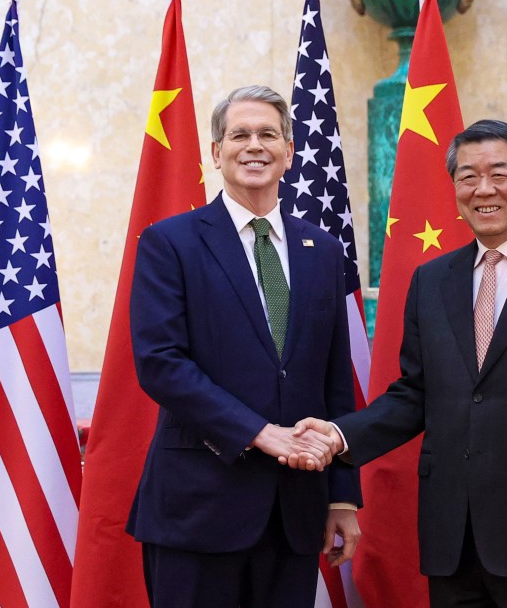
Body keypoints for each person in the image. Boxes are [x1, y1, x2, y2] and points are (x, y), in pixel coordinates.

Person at [289, 119, 507, 607]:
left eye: (499, 173)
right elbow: (415, 394)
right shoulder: (432, 280)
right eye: (468, 176)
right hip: (453, 540)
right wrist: (341, 436)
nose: (483, 190)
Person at [126, 85, 360, 608]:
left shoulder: (321, 250)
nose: (254, 145)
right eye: (240, 134)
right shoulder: (171, 242)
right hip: (198, 507)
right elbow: (160, 364)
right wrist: (258, 433)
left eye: (268, 134)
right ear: (217, 152)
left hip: (295, 512)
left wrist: (343, 494)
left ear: (288, 151)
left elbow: (334, 379)